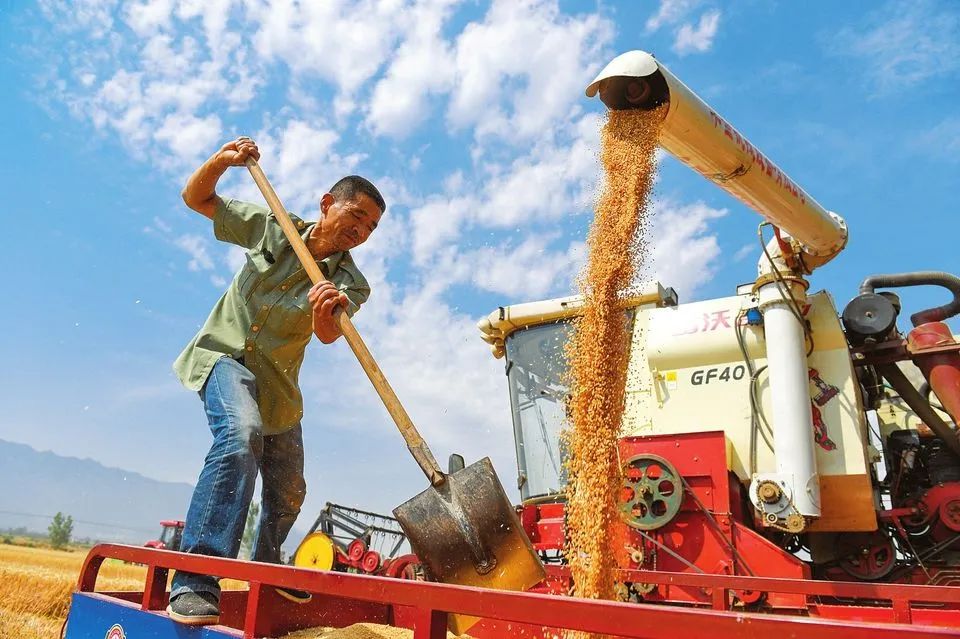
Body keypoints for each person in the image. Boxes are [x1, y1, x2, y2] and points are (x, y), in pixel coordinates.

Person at [166, 136, 385, 625]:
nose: (362, 230)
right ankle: (196, 577)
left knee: (288, 491)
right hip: (224, 358)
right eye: (357, 215)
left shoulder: (353, 283)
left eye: (371, 226)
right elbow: (195, 199)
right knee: (240, 436)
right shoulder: (271, 227)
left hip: (280, 389)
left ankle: (266, 566)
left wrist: (326, 310)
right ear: (327, 204)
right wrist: (222, 161)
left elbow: (329, 336)